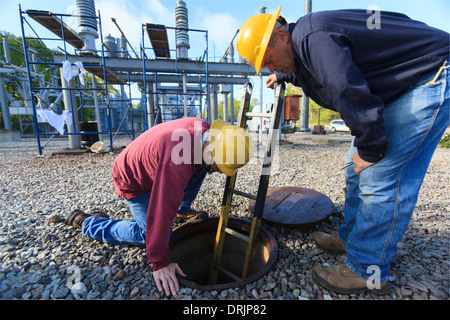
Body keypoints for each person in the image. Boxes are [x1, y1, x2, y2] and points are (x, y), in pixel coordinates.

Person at [237, 6, 449, 294]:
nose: (270, 69)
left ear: (281, 35)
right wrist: (285, 76)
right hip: (401, 85)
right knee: (354, 168)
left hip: (430, 74)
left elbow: (346, 89)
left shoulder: (314, 37)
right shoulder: (303, 45)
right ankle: (352, 238)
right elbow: (312, 71)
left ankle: (366, 269)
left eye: (269, 60)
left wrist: (371, 150)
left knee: (379, 175)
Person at [65, 117, 253, 296]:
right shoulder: (177, 164)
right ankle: (89, 223)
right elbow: (160, 211)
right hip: (133, 179)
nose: (221, 172)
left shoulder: (205, 131)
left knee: (203, 167)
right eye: (221, 166)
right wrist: (160, 262)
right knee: (149, 234)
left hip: (160, 163)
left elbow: (190, 167)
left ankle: (180, 208)